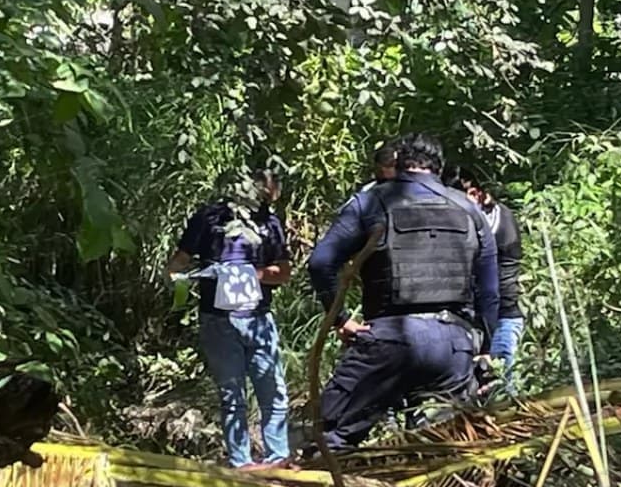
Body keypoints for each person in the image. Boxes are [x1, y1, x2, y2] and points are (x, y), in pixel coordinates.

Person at [306, 134, 500, 452]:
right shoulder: (469, 209)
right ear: (439, 167)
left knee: (327, 440)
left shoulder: (371, 201)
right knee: (440, 449)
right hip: (453, 347)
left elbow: (320, 264)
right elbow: (490, 292)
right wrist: (483, 350)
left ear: (398, 163)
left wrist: (340, 319)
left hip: (387, 341)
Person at [166, 169, 292, 469]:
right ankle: (241, 462)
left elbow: (283, 272)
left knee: (273, 391)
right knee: (231, 394)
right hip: (218, 320)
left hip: (259, 319)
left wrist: (246, 274)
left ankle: (279, 457)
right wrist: (179, 279)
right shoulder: (210, 218)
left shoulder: (270, 223)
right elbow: (179, 261)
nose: (269, 194)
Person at [446, 167, 525, 396]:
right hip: (471, 320)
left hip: (501, 318)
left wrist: (486, 344)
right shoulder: (473, 221)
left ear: (479, 194)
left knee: (498, 391)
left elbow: (493, 290)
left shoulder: (500, 223)